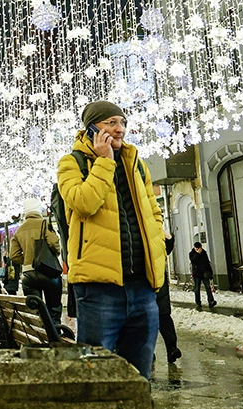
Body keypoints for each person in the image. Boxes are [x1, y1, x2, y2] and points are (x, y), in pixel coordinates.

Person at [57, 100, 166, 379]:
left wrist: (158, 246)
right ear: (92, 128)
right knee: (97, 375)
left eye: (123, 123)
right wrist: (104, 161)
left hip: (142, 286)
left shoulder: (136, 164)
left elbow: (153, 211)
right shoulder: (72, 163)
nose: (120, 129)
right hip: (99, 290)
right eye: (111, 123)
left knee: (140, 375)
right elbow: (83, 203)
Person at [9, 198, 63, 323]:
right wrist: (53, 254)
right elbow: (54, 244)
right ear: (38, 210)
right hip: (48, 271)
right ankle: (54, 331)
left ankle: (40, 331)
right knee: (54, 309)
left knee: (37, 311)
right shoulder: (44, 224)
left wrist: (28, 261)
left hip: (29, 275)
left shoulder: (19, 230)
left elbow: (14, 255)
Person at [157, 233, 181, 363]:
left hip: (159, 282)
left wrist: (169, 238)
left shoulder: (156, 231)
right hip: (143, 283)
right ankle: (148, 352)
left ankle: (172, 348)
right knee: (144, 320)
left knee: (164, 317)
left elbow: (167, 249)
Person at [188, 242, 216, 308]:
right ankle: (198, 302)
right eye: (196, 248)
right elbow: (193, 261)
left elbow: (207, 263)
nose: (198, 249)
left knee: (208, 287)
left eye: (199, 248)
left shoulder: (204, 253)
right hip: (197, 274)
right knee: (197, 288)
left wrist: (210, 273)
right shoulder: (191, 253)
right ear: (194, 247)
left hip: (204, 273)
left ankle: (211, 301)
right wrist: (197, 254)